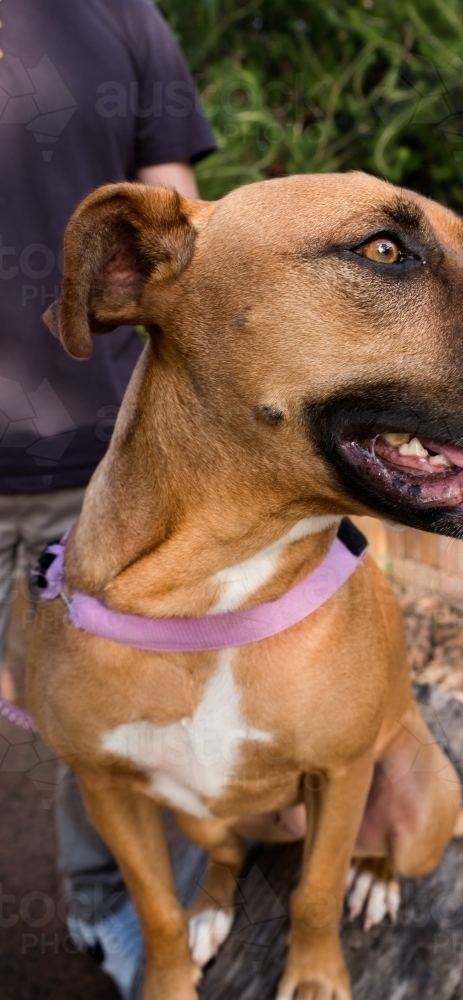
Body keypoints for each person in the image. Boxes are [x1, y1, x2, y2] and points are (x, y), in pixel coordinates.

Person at [0, 1, 216, 995]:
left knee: (114, 711)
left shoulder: (121, 12)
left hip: (96, 453)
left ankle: (114, 912)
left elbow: (181, 223)